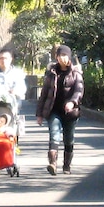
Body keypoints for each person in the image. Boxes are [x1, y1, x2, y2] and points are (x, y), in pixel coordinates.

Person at [36, 45, 84, 175]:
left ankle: (66, 165)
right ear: (56, 57)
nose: (62, 58)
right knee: (54, 135)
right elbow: (44, 94)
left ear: (69, 57)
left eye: (65, 55)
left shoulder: (76, 73)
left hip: (70, 112)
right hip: (53, 110)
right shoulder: (51, 73)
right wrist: (39, 114)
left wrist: (72, 103)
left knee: (68, 139)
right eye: (60, 55)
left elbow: (79, 91)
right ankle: (52, 163)